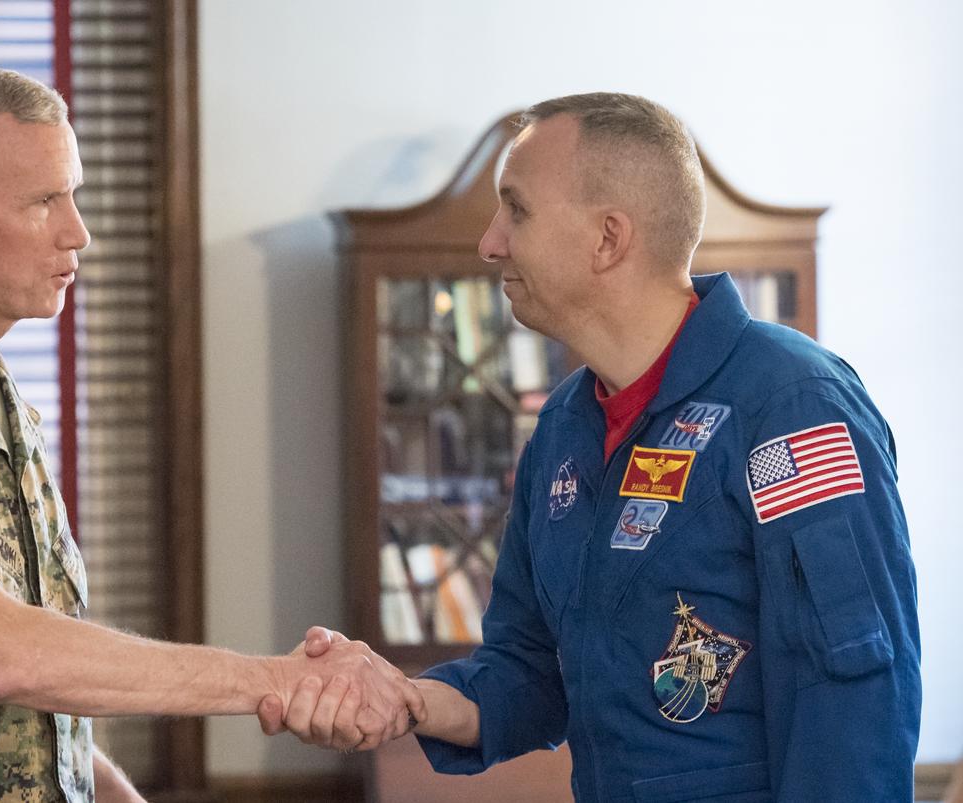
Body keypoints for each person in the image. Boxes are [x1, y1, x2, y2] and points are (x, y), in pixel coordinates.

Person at [0, 66, 424, 803]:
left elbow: (33, 709)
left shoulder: (2, 407)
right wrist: (278, 680)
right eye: (43, 201)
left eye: (75, 194)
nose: (78, 231)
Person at [258, 93, 921, 801]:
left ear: (608, 237)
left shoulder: (792, 407)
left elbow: (852, 704)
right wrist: (407, 699)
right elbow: (530, 672)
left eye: (516, 209)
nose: (489, 241)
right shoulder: (564, 430)